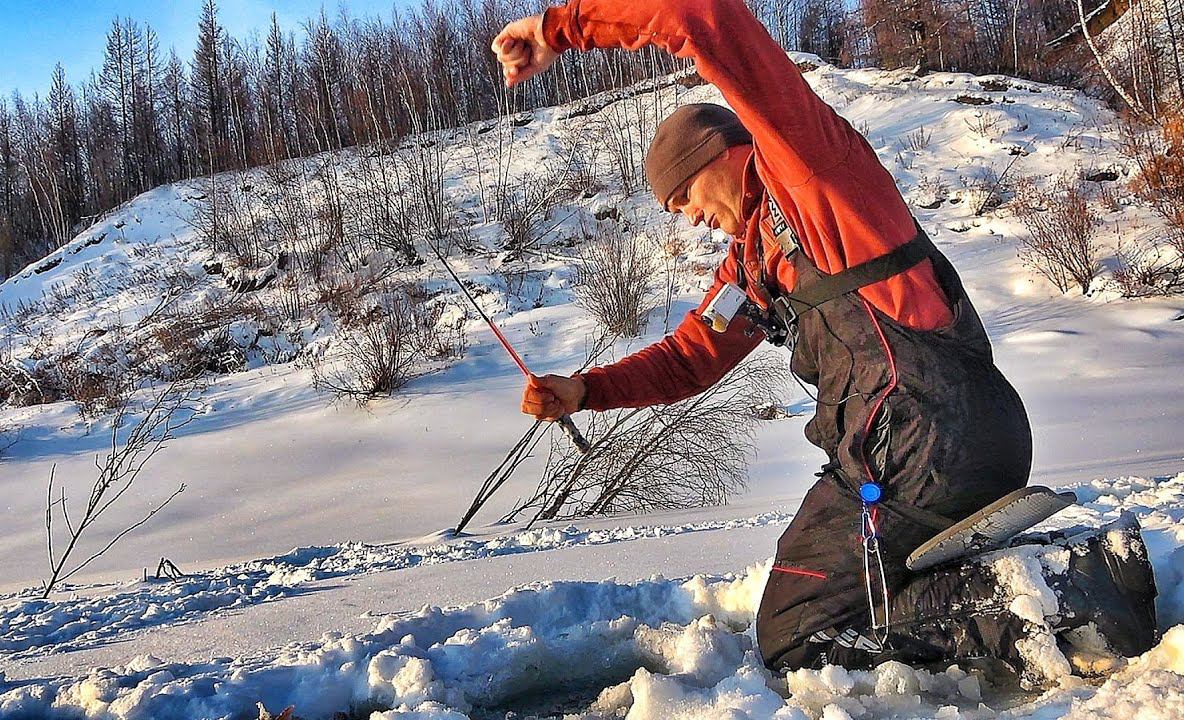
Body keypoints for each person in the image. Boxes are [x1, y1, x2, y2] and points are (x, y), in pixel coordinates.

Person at [495, 0, 1157, 676]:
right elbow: (694, 357)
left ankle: (1044, 606)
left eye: (683, 198)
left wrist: (559, 29)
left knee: (795, 631)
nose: (689, 219)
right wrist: (585, 390)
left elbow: (696, 14)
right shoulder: (755, 262)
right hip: (949, 440)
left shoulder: (811, 173)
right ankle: (1055, 586)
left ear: (721, 154)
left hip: (920, 448)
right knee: (842, 605)